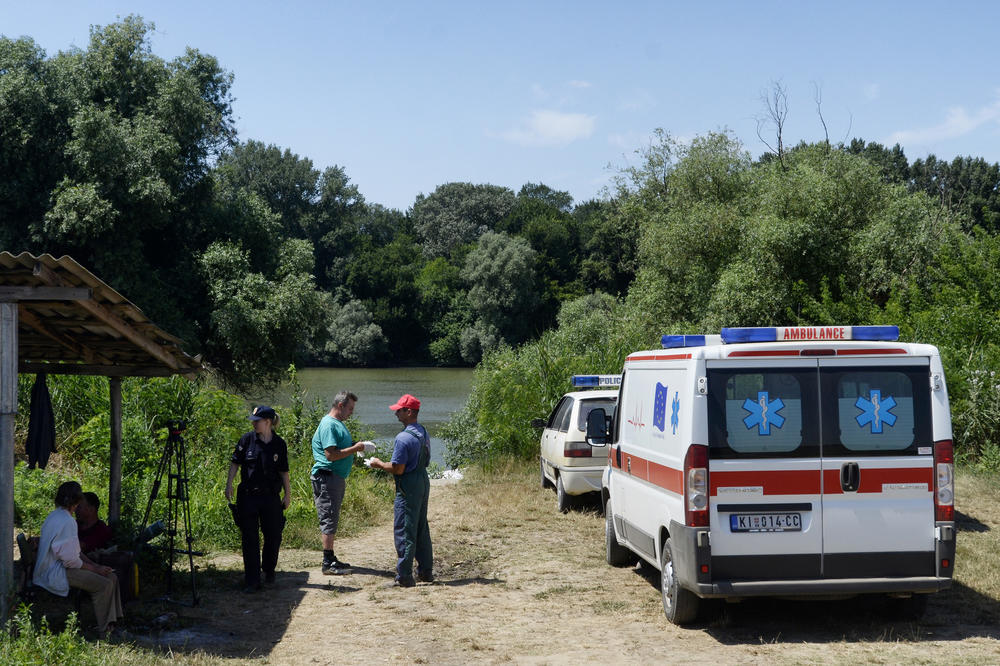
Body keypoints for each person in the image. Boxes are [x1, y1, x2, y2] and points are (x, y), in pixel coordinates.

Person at [33, 481, 123, 635]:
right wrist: (96, 569)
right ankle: (106, 630)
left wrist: (95, 566)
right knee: (104, 584)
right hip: (56, 572)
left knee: (111, 576)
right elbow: (71, 561)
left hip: (57, 567)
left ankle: (114, 621)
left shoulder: (56, 516)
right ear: (77, 500)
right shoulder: (67, 521)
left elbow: (75, 552)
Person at [368, 393, 433, 587]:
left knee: (405, 528)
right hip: (422, 479)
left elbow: (398, 468)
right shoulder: (423, 432)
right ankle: (426, 571)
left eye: (399, 410)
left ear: (409, 411)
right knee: (421, 527)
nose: (396, 413)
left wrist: (378, 463)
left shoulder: (403, 438)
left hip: (408, 484)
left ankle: (404, 576)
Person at [225, 405, 291, 593]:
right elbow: (235, 463)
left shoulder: (279, 444)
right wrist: (229, 484)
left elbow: (284, 471)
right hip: (248, 496)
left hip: (270, 497)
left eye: (257, 421)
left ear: (268, 422)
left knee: (273, 535)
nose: (254, 424)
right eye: (253, 421)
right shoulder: (247, 440)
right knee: (249, 538)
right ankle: (252, 580)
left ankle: (269, 570)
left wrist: (288, 494)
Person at [310, 391, 369, 575]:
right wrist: (356, 448)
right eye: (350, 408)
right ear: (340, 405)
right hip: (327, 477)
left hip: (334, 478)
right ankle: (327, 563)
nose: (351, 412)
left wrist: (355, 445)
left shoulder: (337, 424)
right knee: (328, 517)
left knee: (332, 516)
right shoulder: (329, 424)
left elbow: (339, 448)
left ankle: (331, 557)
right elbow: (331, 455)